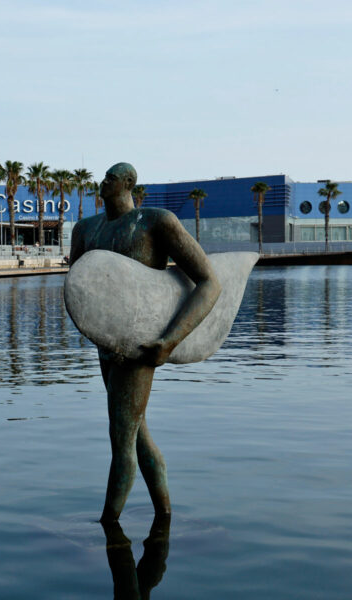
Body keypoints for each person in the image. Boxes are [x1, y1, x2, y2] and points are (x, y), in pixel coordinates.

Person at [69, 162, 221, 523]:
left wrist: (170, 341)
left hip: (139, 350)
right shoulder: (86, 229)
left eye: (109, 177)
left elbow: (210, 283)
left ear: (128, 183)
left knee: (122, 442)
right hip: (106, 347)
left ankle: (107, 526)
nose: (101, 182)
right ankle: (164, 514)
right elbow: (78, 286)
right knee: (137, 435)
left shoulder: (156, 222)